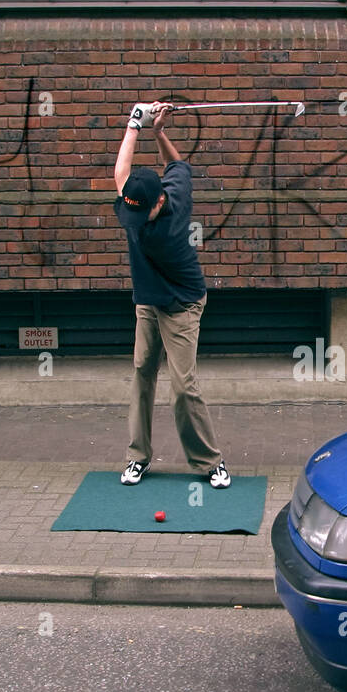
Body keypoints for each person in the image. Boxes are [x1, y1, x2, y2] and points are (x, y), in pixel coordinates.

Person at [113, 99, 230, 489]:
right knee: (142, 372)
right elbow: (171, 167)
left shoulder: (164, 226)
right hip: (148, 300)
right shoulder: (167, 189)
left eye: (138, 212)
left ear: (159, 201)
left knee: (183, 386)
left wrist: (138, 120)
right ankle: (137, 457)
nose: (130, 220)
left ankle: (209, 461)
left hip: (182, 303)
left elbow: (124, 171)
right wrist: (153, 129)